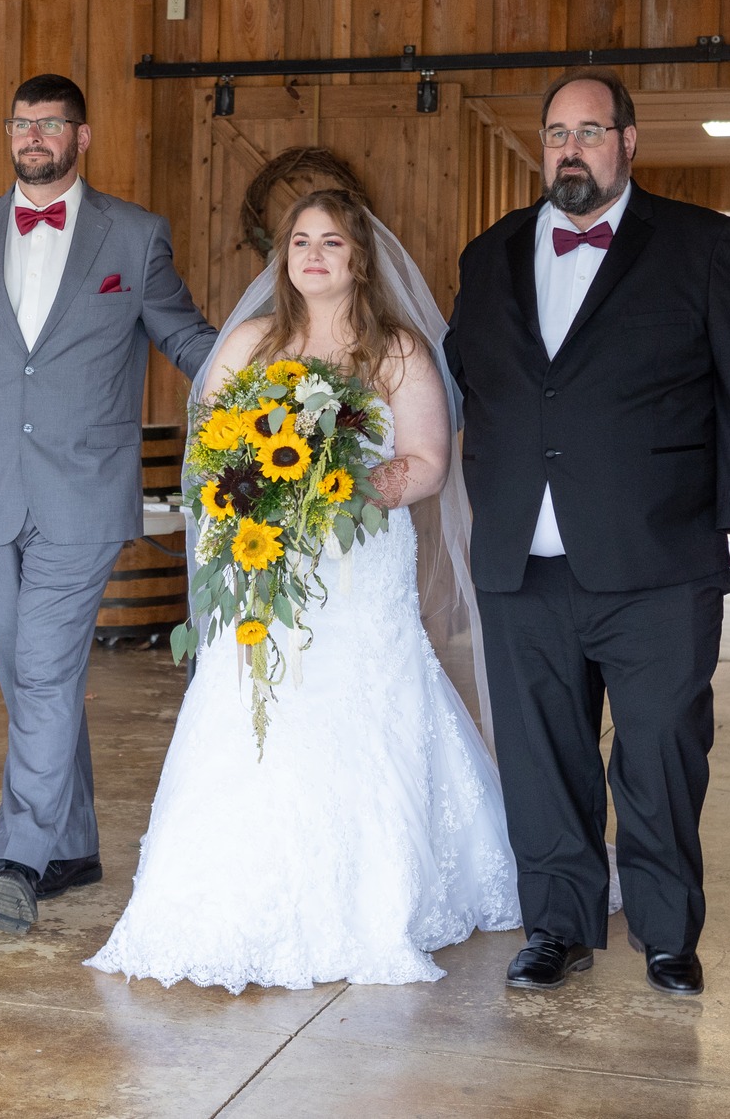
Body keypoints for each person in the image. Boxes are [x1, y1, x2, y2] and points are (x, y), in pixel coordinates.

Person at [86, 190, 520, 992]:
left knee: (361, 705)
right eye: (300, 242)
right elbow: (210, 450)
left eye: (331, 242)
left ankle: (374, 897)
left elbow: (428, 462)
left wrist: (341, 487)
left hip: (360, 567)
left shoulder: (396, 352)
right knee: (254, 710)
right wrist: (262, 495)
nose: (313, 255)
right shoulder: (250, 342)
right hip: (264, 566)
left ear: (360, 259)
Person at [444, 68, 730, 997]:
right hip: (521, 559)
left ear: (628, 143)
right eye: (557, 133)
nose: (571, 149)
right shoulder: (489, 254)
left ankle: (668, 930)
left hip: (659, 556)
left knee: (663, 746)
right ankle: (557, 926)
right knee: (541, 755)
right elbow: (463, 380)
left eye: (591, 131)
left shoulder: (703, 245)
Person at [0, 73, 218, 936]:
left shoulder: (133, 236)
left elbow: (185, 337)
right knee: (30, 678)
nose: (34, 136)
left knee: (44, 669)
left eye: (52, 124)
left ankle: (18, 858)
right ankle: (73, 844)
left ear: (81, 137)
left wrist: (271, 374)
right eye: (22, 123)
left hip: (84, 494)